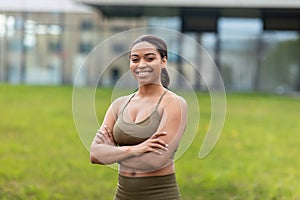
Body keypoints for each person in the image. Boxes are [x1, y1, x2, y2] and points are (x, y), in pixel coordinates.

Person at [90, 35, 187, 200]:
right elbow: (95, 155)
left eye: (150, 58)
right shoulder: (119, 104)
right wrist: (136, 149)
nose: (141, 64)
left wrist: (111, 153)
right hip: (122, 195)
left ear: (163, 61)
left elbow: (155, 161)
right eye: (135, 59)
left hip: (160, 195)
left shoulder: (173, 103)